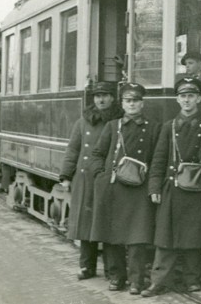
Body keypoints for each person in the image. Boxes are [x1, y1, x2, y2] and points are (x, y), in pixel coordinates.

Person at [141, 77, 201, 297]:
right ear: (178, 99)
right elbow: (159, 159)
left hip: (197, 188)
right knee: (165, 238)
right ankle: (158, 281)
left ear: (199, 98)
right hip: (172, 188)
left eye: (191, 96)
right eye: (183, 96)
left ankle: (193, 280)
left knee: (195, 237)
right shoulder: (169, 126)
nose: (187, 100)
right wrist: (154, 187)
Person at [89, 82, 161, 294]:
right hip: (114, 189)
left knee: (138, 238)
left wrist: (152, 185)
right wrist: (100, 177)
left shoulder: (153, 128)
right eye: (128, 101)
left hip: (139, 190)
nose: (132, 104)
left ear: (142, 103)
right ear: (122, 103)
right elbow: (97, 154)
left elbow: (158, 159)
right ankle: (116, 277)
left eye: (136, 101)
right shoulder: (113, 127)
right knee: (113, 237)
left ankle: (137, 281)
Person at [59, 82, 123, 281]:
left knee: (110, 226)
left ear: (113, 98)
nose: (101, 100)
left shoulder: (119, 121)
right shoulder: (83, 122)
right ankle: (87, 267)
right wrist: (66, 176)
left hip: (109, 178)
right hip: (86, 178)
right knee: (86, 224)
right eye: (97, 96)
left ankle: (114, 272)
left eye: (105, 96)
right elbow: (73, 150)